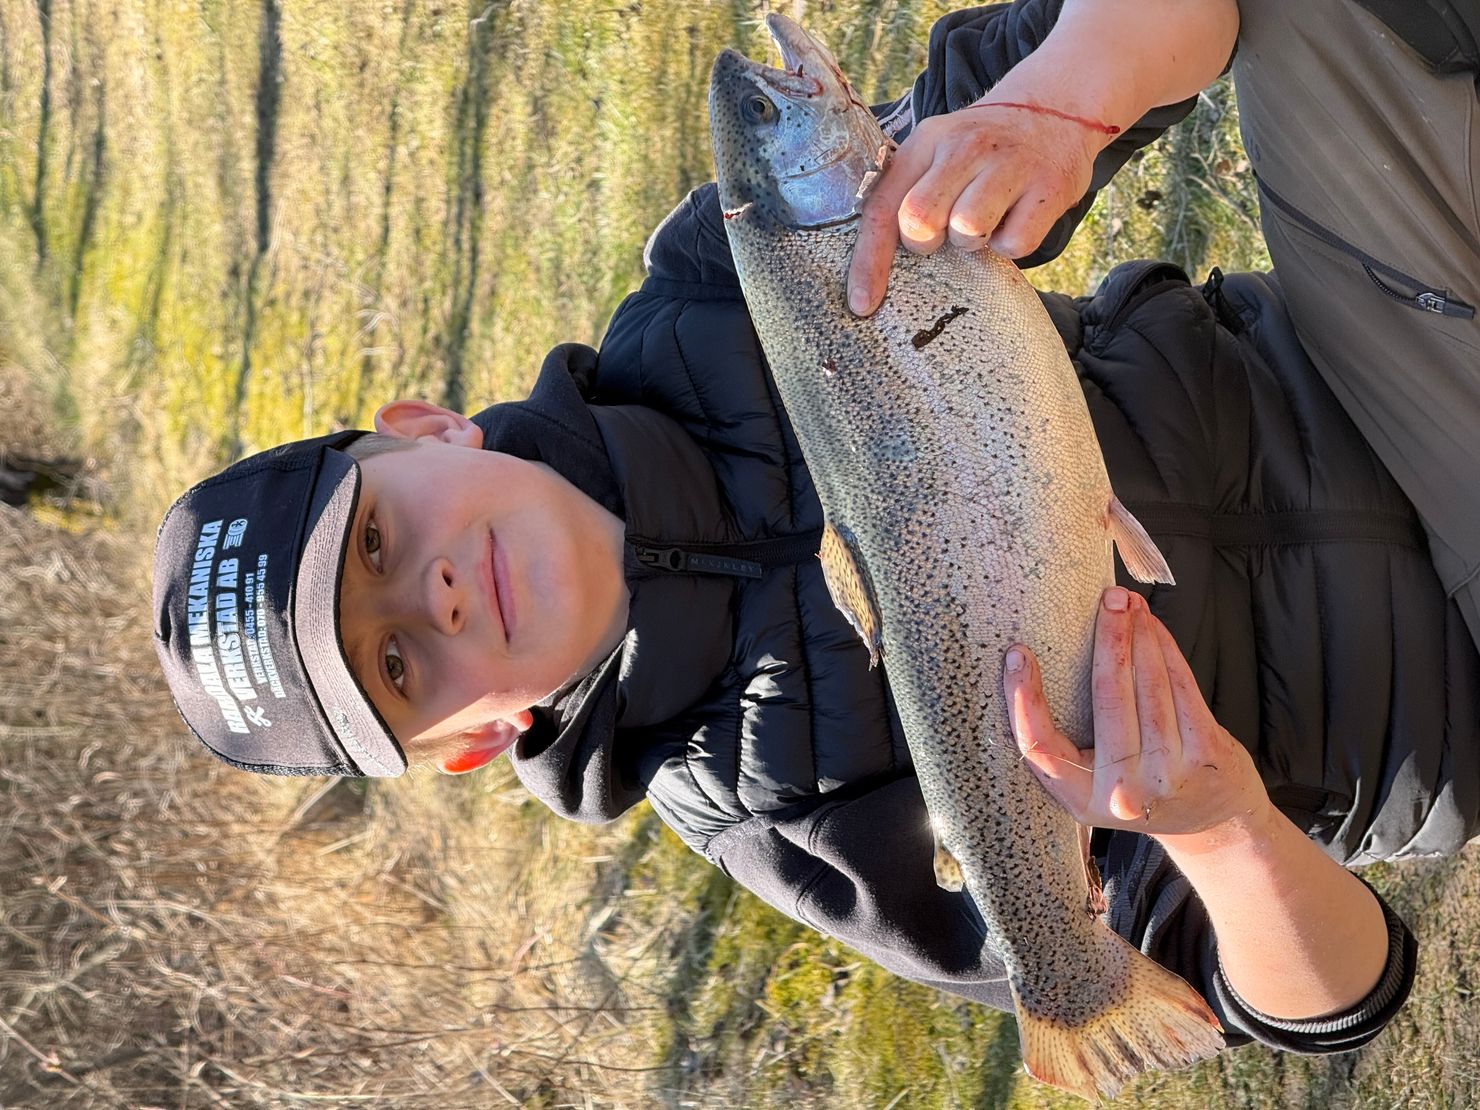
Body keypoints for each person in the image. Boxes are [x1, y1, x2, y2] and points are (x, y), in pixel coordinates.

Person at [151, 0, 1480, 1061]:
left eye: (377, 544)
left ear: (425, 429)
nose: (432, 597)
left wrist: (1055, 113)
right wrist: (1224, 829)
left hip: (1384, 354)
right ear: (469, 746)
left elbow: (1139, 28)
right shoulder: (786, 819)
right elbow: (1335, 996)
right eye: (398, 666)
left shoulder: (730, 272)